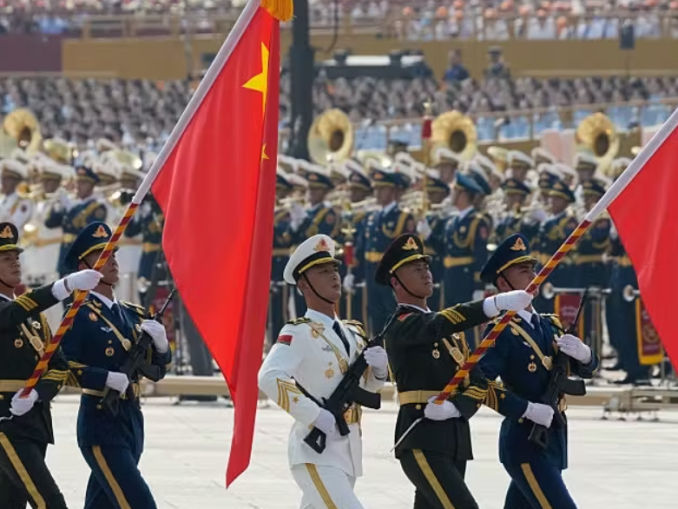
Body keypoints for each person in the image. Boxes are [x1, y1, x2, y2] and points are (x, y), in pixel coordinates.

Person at [375, 233, 533, 509]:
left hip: (455, 439)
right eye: (415, 269)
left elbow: (478, 382)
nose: (425, 273)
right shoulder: (401, 325)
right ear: (396, 282)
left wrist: (457, 408)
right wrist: (492, 305)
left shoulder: (452, 334)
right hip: (422, 438)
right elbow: (435, 325)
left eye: (426, 267)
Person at [258, 234, 388, 509]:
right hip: (316, 452)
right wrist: (315, 415)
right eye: (323, 272)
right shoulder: (299, 332)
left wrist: (379, 370)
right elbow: (269, 377)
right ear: (304, 284)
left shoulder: (354, 332)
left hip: (348, 447)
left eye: (334, 270)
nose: (334, 277)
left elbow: (368, 389)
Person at [477, 233, 599, 509]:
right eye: (523, 271)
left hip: (554, 437)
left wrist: (585, 355)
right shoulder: (500, 331)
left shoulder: (550, 325)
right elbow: (479, 385)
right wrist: (526, 409)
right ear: (503, 283)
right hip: (526, 440)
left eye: (532, 269)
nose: (534, 275)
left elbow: (586, 370)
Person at [60, 221, 172, 509]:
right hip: (101, 421)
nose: (112, 261)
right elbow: (61, 369)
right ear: (83, 267)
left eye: (113, 254)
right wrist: (104, 378)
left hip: (132, 420)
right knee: (139, 503)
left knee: (102, 504)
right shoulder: (77, 315)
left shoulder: (133, 314)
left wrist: (162, 346)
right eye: (102, 256)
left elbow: (156, 371)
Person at [0, 221, 103, 509]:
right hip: (5, 421)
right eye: (6, 259)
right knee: (50, 501)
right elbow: (9, 315)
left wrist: (37, 394)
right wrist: (64, 286)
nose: (15, 263)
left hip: (34, 421)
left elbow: (59, 366)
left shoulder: (35, 318)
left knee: (10, 503)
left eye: (16, 257)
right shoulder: (15, 310)